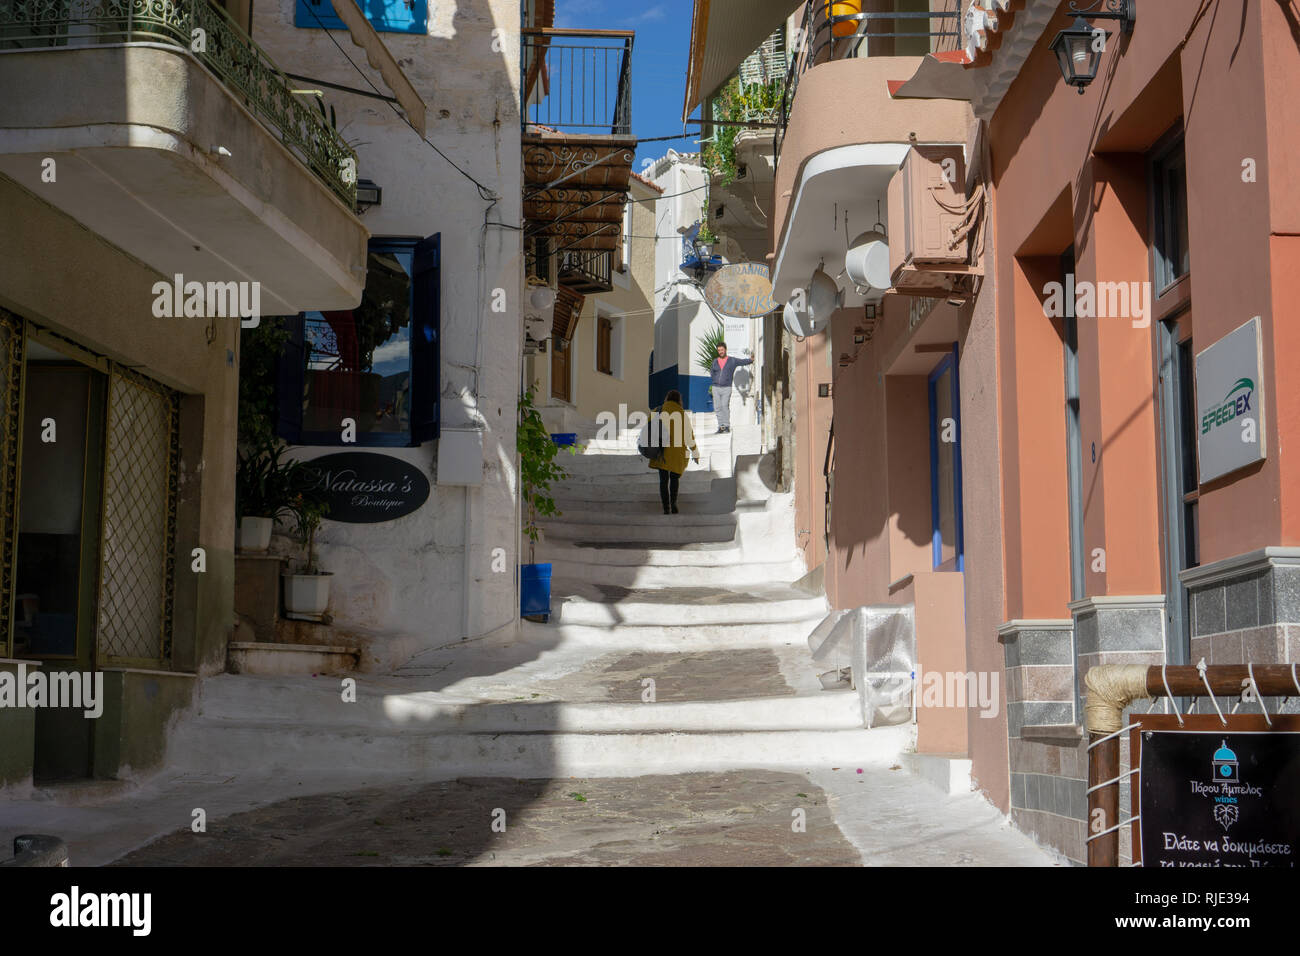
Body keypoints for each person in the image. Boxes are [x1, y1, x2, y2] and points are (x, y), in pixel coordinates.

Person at [648, 389, 698, 515]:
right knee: (674, 479)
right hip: (677, 453)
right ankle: (674, 503)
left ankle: (666, 507)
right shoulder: (681, 413)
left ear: (667, 398)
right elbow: (689, 436)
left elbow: (647, 428)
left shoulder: (657, 410)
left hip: (661, 451)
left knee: (663, 480)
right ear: (679, 400)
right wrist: (695, 452)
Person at [709, 342, 753, 434]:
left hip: (726, 387)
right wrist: (714, 380)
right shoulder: (715, 361)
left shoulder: (732, 361)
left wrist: (751, 360)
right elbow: (712, 372)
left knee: (725, 406)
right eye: (719, 350)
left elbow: (742, 361)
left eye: (722, 350)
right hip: (716, 387)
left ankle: (727, 426)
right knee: (717, 407)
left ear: (725, 349)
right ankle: (721, 427)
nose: (720, 352)